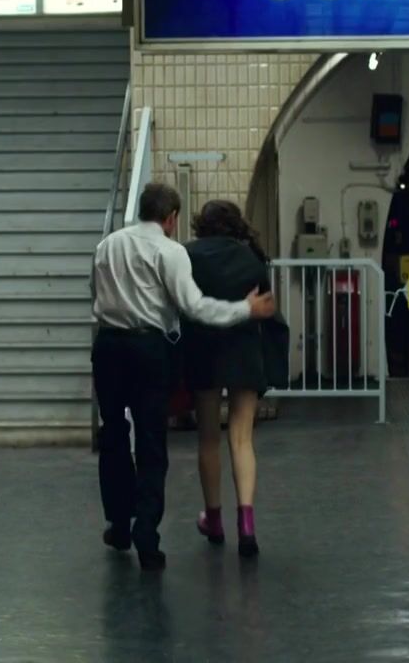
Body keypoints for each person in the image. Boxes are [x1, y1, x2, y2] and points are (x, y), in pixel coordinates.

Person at [92, 183, 275, 571]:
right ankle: (149, 536)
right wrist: (246, 309)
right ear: (171, 217)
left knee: (113, 436)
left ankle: (119, 524)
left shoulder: (107, 245)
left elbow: (94, 289)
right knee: (151, 441)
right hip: (151, 348)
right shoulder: (171, 251)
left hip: (108, 347)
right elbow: (196, 307)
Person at [183, 201, 273, 558]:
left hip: (203, 351)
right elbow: (265, 306)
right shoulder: (252, 258)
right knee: (242, 439)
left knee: (208, 439)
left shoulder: (188, 255)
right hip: (244, 351)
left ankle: (214, 519)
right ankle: (246, 525)